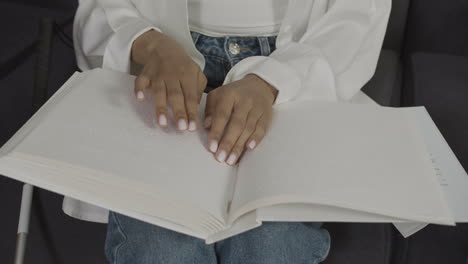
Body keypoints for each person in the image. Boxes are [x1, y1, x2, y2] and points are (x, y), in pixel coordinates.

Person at [71, 0, 392, 263]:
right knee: (160, 249)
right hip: (159, 65)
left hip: (298, 70)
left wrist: (276, 80)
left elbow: (360, 11)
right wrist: (151, 45)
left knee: (271, 246)